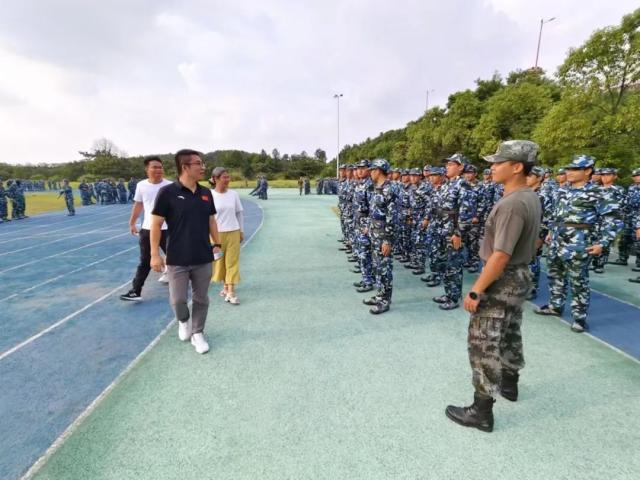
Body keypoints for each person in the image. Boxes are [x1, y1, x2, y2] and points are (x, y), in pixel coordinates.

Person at [445, 140, 541, 433]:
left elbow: (500, 255)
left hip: (503, 278)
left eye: (499, 163)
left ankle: (481, 411)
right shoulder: (529, 196)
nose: (493, 167)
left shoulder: (512, 204)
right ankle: (510, 384)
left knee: (484, 341)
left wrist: (477, 289)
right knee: (510, 332)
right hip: (519, 275)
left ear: (517, 167)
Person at [535, 155, 623, 332]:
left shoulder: (599, 192)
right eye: (568, 169)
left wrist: (603, 243)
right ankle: (555, 306)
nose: (569, 172)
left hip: (579, 242)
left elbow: (613, 220)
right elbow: (556, 214)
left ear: (588, 171)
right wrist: (550, 232)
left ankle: (579, 317)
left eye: (575, 169)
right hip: (557, 240)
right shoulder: (562, 190)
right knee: (555, 274)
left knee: (578, 281)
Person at [151, 149, 222, 354]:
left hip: (202, 256)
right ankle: (183, 320)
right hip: (177, 257)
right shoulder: (167, 193)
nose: (203, 167)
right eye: (198, 163)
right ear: (185, 167)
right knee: (178, 299)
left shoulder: (206, 193)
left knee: (201, 298)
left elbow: (211, 220)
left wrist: (217, 243)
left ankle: (198, 332)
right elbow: (156, 225)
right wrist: (154, 254)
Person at [120, 157, 173, 302]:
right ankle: (135, 291)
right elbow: (139, 204)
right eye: (154, 167)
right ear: (147, 169)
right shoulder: (141, 185)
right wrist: (132, 222)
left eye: (160, 167)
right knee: (145, 260)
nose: (158, 170)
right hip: (148, 229)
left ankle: (183, 281)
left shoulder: (171, 186)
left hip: (168, 229)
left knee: (176, 258)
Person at [362, 158, 397, 315]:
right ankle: (380, 295)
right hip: (375, 234)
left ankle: (385, 300)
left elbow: (392, 217)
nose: (370, 173)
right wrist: (369, 228)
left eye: (372, 170)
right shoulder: (377, 188)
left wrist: (387, 240)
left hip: (383, 236)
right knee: (378, 267)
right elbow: (373, 212)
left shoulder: (390, 190)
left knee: (385, 268)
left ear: (378, 171)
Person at [210, 167, 244, 305]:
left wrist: (241, 231)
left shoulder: (233, 194)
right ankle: (225, 286)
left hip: (233, 232)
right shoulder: (209, 195)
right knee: (220, 262)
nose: (227, 180)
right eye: (224, 177)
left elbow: (239, 213)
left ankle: (231, 292)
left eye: (228, 177)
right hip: (216, 235)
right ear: (215, 179)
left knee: (232, 262)